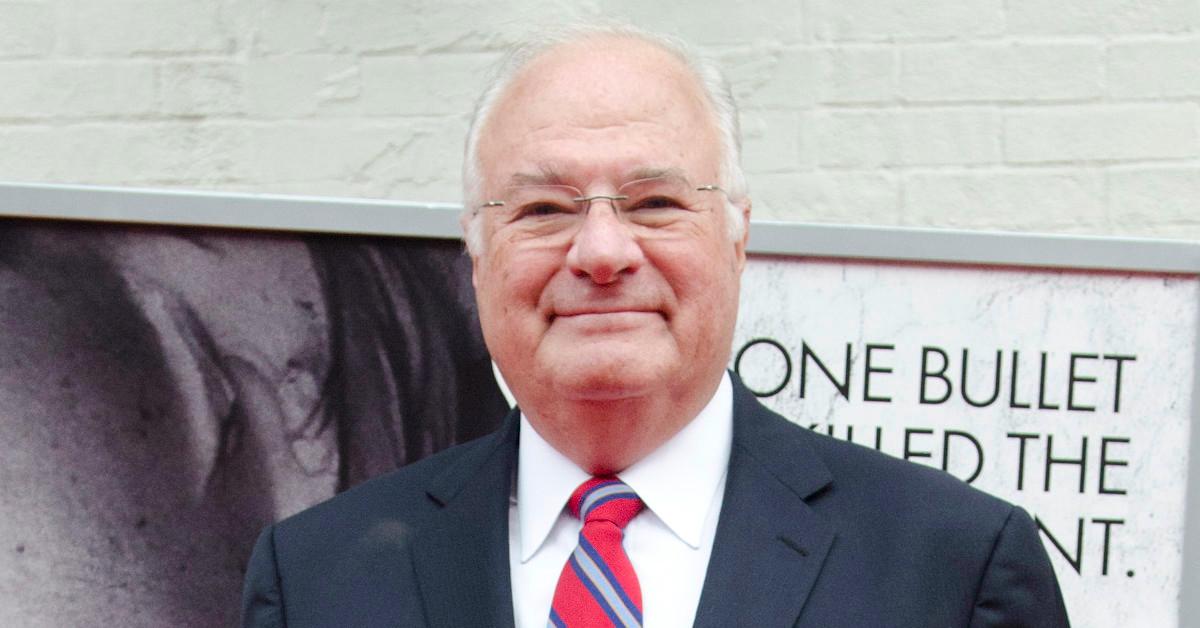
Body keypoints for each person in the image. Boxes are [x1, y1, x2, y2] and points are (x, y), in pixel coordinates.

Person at [241, 24, 1070, 627]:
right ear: (477, 253)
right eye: (541, 208)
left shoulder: (952, 567)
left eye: (656, 204)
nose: (602, 250)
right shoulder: (318, 579)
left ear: (738, 236)